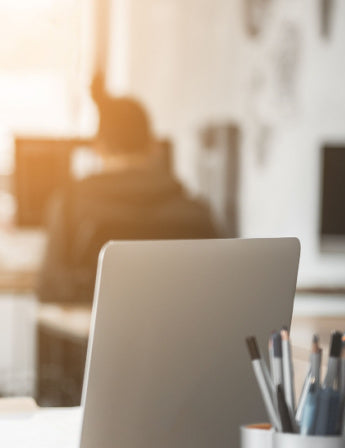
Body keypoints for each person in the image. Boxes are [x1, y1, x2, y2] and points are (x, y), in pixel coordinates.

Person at [37, 72, 219, 303]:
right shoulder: (196, 213)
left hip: (94, 338)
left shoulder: (69, 208)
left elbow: (48, 289)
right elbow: (217, 287)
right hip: (180, 337)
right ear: (153, 146)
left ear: (98, 147)